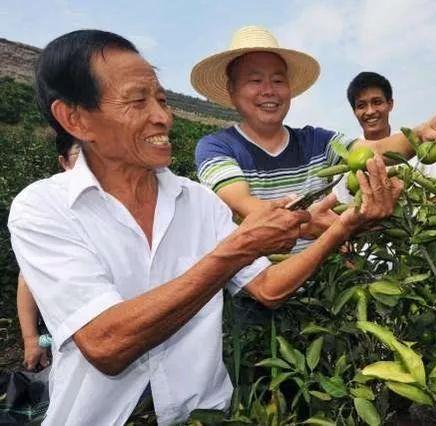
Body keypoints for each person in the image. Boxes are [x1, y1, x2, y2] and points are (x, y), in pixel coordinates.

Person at [9, 30, 402, 425]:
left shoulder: (197, 202)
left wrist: (344, 226)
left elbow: (269, 288)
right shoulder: (43, 209)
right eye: (137, 100)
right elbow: (107, 342)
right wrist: (237, 249)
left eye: (162, 99)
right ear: (74, 118)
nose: (163, 115)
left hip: (204, 415)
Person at [191, 26, 436, 251]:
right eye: (255, 80)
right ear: (232, 90)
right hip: (257, 292)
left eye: (278, 80)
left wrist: (420, 133)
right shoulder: (217, 147)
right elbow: (247, 205)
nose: (268, 91)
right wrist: (307, 223)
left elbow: (373, 149)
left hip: (325, 287)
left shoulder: (316, 141)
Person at [334, 71, 436, 202]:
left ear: (390, 104)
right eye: (361, 105)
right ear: (355, 111)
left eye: (377, 102)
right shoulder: (348, 157)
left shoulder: (416, 147)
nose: (370, 111)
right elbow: (344, 210)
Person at [17, 142, 80, 371]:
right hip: (66, 332)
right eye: (80, 153)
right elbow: (27, 279)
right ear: (64, 162)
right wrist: (31, 339)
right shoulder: (50, 209)